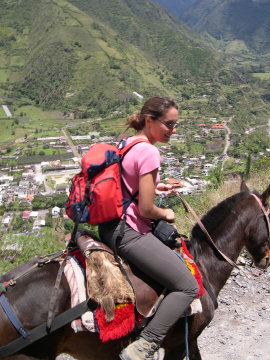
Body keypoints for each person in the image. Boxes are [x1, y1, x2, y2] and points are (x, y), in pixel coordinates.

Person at [98, 96, 199, 360]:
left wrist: (156, 187)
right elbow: (146, 210)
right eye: (169, 124)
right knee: (187, 286)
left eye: (176, 125)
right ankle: (145, 344)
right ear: (150, 120)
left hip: (109, 225)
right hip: (129, 231)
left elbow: (126, 183)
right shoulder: (150, 151)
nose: (173, 131)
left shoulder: (128, 143)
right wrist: (166, 213)